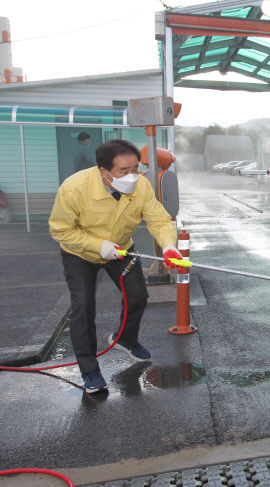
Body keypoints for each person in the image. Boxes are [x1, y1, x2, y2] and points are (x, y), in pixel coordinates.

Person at [49, 139, 184, 394]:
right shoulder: (74, 188)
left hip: (122, 248)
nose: (132, 176)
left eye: (135, 168)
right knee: (83, 308)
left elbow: (159, 219)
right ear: (103, 171)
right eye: (124, 170)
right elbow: (61, 230)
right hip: (79, 254)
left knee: (138, 296)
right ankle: (90, 370)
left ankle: (125, 338)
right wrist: (99, 246)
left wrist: (168, 246)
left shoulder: (141, 185)